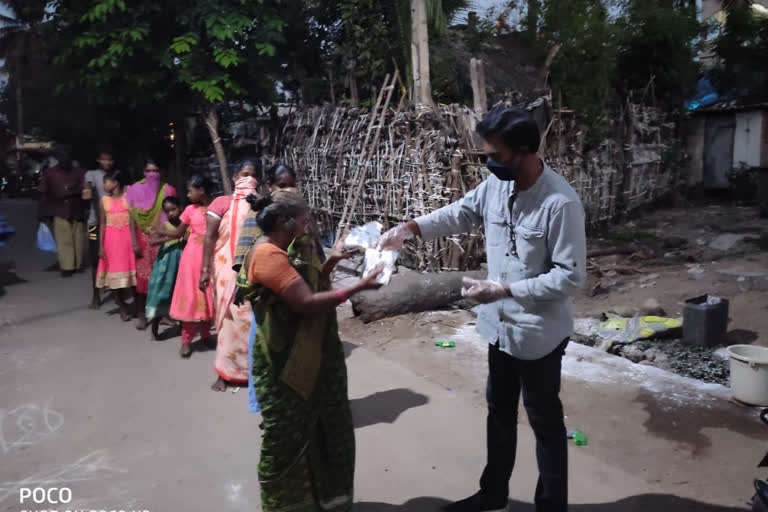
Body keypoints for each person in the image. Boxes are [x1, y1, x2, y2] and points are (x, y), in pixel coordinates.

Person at [379, 107, 587, 512]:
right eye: (486, 155)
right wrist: (410, 228)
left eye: (497, 155)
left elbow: (570, 277)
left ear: (526, 151)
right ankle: (493, 494)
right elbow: (461, 211)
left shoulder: (560, 204)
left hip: (538, 334)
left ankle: (551, 506)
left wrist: (506, 288)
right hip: (500, 328)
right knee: (499, 414)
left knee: (545, 425)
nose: (490, 163)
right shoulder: (495, 186)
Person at [244, 188, 382, 512]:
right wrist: (359, 286)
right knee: (284, 441)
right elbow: (304, 302)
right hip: (283, 365)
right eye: (303, 221)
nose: (307, 227)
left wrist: (331, 262)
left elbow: (306, 284)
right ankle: (283, 504)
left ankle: (320, 499)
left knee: (317, 429)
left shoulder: (283, 249)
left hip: (303, 355)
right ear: (284, 222)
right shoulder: (267, 255)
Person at [201, 160, 260, 392]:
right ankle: (225, 373)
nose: (248, 180)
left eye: (252, 176)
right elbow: (209, 237)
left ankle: (254, 371)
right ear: (235, 177)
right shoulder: (221, 203)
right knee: (227, 322)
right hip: (225, 271)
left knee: (251, 319)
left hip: (253, 269)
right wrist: (204, 269)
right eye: (244, 174)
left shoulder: (260, 203)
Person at [159, 175, 214, 358]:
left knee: (208, 296)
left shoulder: (217, 208)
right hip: (191, 259)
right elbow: (178, 233)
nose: (188, 195)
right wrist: (159, 231)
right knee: (191, 298)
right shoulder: (190, 210)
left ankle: (206, 335)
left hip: (212, 257)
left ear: (202, 191)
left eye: (191, 191)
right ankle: (186, 340)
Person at [126, 159, 177, 330]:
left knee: (162, 279)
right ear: (143, 172)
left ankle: (162, 315)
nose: (152, 174)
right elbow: (131, 220)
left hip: (161, 239)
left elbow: (173, 215)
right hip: (142, 240)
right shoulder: (133, 190)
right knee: (142, 280)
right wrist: (134, 242)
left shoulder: (168, 189)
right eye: (149, 171)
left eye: (155, 171)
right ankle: (142, 315)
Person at [95, 170, 139, 321]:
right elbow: (102, 223)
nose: (104, 185)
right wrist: (100, 246)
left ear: (115, 183)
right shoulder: (104, 201)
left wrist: (134, 241)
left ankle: (138, 307)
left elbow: (133, 221)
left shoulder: (128, 198)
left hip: (127, 240)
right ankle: (122, 307)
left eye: (106, 181)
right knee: (115, 277)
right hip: (111, 242)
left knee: (132, 276)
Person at [145, 196, 186, 341]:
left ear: (180, 207)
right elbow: (153, 241)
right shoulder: (164, 225)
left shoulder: (184, 224)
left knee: (180, 292)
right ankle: (155, 326)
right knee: (162, 292)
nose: (171, 214)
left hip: (182, 261)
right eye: (167, 211)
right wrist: (171, 238)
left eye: (173, 209)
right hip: (166, 263)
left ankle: (184, 327)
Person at [38, 154, 86, 277]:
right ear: (58, 159)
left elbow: (85, 188)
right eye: (62, 157)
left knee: (78, 238)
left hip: (77, 208)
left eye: (67, 157)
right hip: (58, 208)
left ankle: (78, 264)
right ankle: (67, 267)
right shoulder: (50, 173)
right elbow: (43, 192)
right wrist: (42, 212)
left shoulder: (79, 172)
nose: (65, 159)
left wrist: (72, 191)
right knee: (63, 239)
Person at [84, 150, 114, 309]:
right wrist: (88, 191)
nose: (107, 163)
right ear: (98, 160)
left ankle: (118, 291)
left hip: (114, 222)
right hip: (95, 223)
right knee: (95, 258)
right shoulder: (92, 174)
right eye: (104, 160)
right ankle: (96, 294)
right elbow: (88, 190)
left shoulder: (117, 175)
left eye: (109, 160)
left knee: (115, 257)